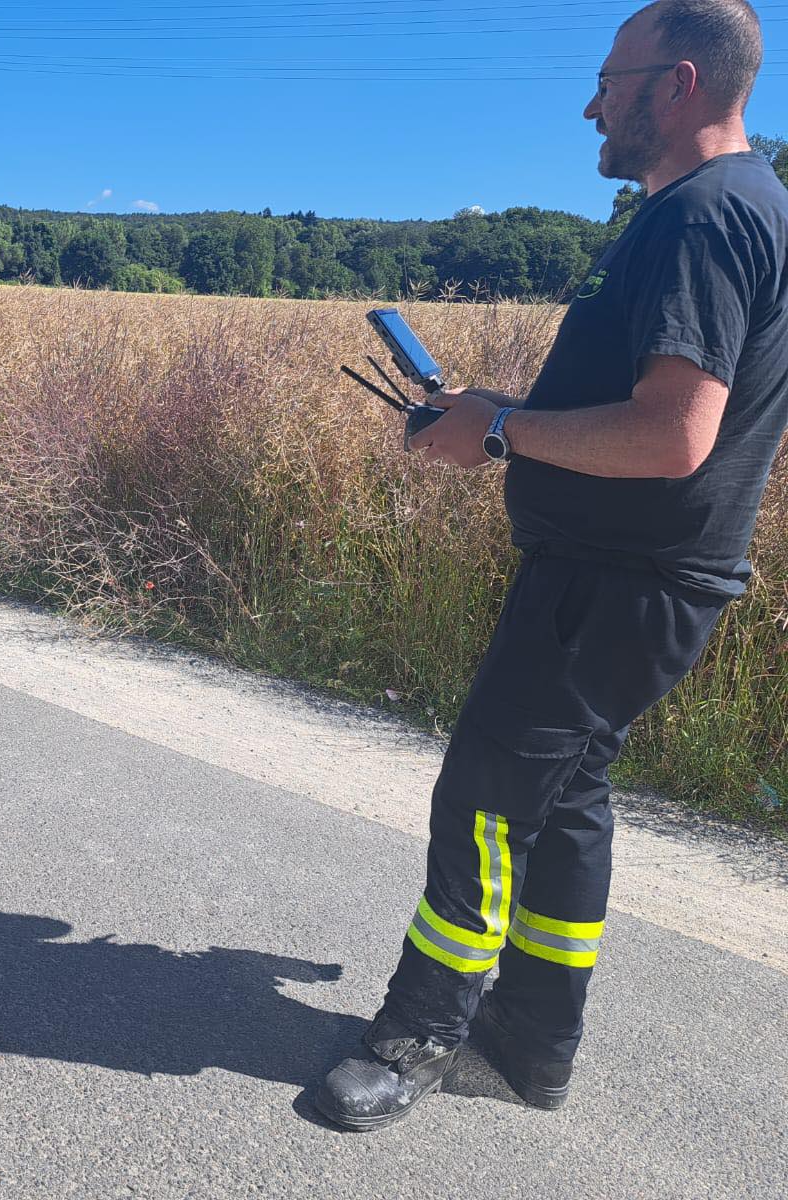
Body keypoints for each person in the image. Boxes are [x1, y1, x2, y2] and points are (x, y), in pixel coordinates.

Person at [317, 0, 788, 1131]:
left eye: (608, 79)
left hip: (616, 584)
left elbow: (673, 435)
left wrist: (495, 429)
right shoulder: (734, 206)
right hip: (636, 580)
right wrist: (498, 415)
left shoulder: (702, 220)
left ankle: (422, 1030)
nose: (590, 102)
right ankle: (534, 1043)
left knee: (483, 797)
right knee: (566, 798)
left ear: (673, 85)